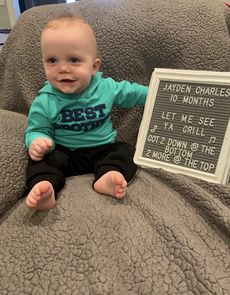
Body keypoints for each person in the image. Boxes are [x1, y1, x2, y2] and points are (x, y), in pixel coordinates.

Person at [25, 13, 148, 211]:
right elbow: (35, 129)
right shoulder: (45, 100)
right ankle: (45, 187)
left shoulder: (105, 88)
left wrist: (158, 94)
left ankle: (107, 176)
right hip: (64, 153)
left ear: (94, 67)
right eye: (52, 60)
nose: (63, 68)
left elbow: (132, 93)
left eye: (74, 60)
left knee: (126, 151)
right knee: (41, 160)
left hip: (102, 150)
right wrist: (37, 141)